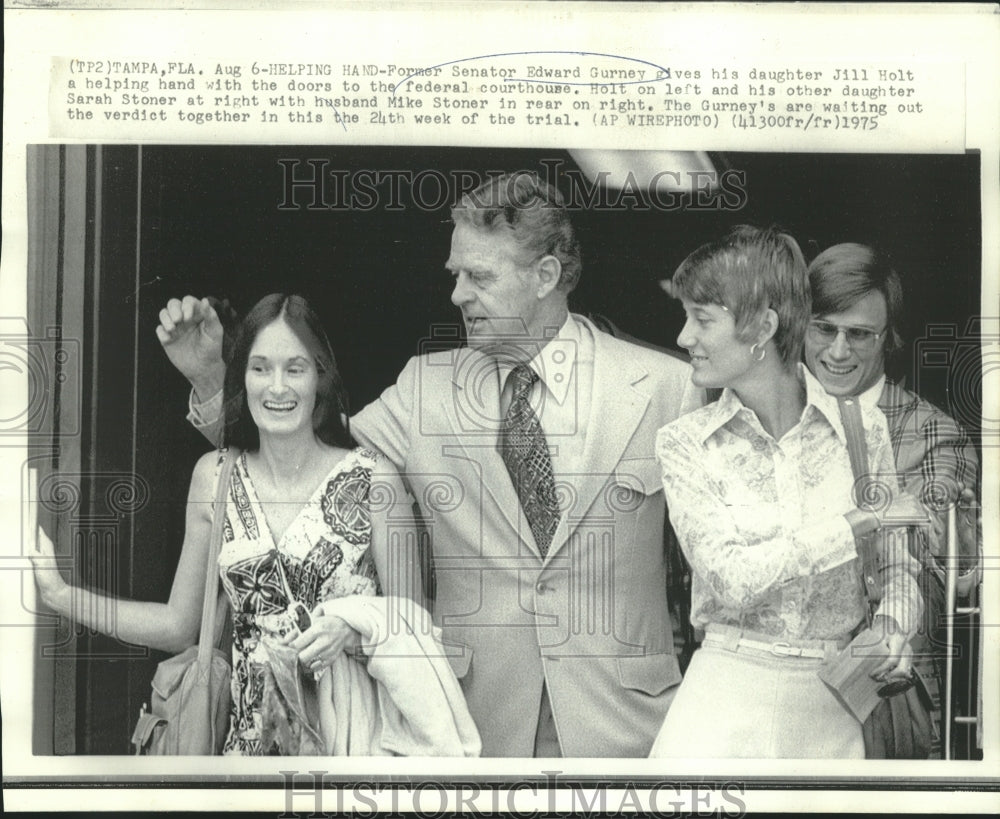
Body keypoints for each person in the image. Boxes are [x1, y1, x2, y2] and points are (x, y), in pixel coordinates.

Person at [156, 172, 703, 757]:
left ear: (546, 276)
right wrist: (210, 377)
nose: (457, 294)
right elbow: (297, 455)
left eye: (480, 276)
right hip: (474, 727)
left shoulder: (666, 388)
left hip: (629, 725)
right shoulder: (424, 390)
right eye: (456, 275)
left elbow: (713, 572)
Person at [31, 294, 425, 756]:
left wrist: (353, 630)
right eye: (260, 368)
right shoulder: (215, 477)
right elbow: (178, 625)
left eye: (295, 368)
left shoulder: (376, 480)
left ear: (321, 377)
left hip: (353, 754)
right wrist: (63, 596)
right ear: (242, 377)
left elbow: (413, 629)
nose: (277, 387)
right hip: (244, 760)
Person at [649, 226, 924, 758]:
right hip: (722, 700)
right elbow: (731, 579)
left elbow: (898, 569)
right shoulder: (685, 442)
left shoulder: (864, 432)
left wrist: (892, 627)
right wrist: (855, 524)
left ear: (762, 328)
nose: (684, 337)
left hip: (835, 707)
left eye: (702, 319)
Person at [805, 242, 980, 580]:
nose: (838, 351)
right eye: (824, 328)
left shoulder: (934, 435)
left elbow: (929, 549)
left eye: (858, 334)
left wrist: (951, 544)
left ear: (888, 338)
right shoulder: (776, 417)